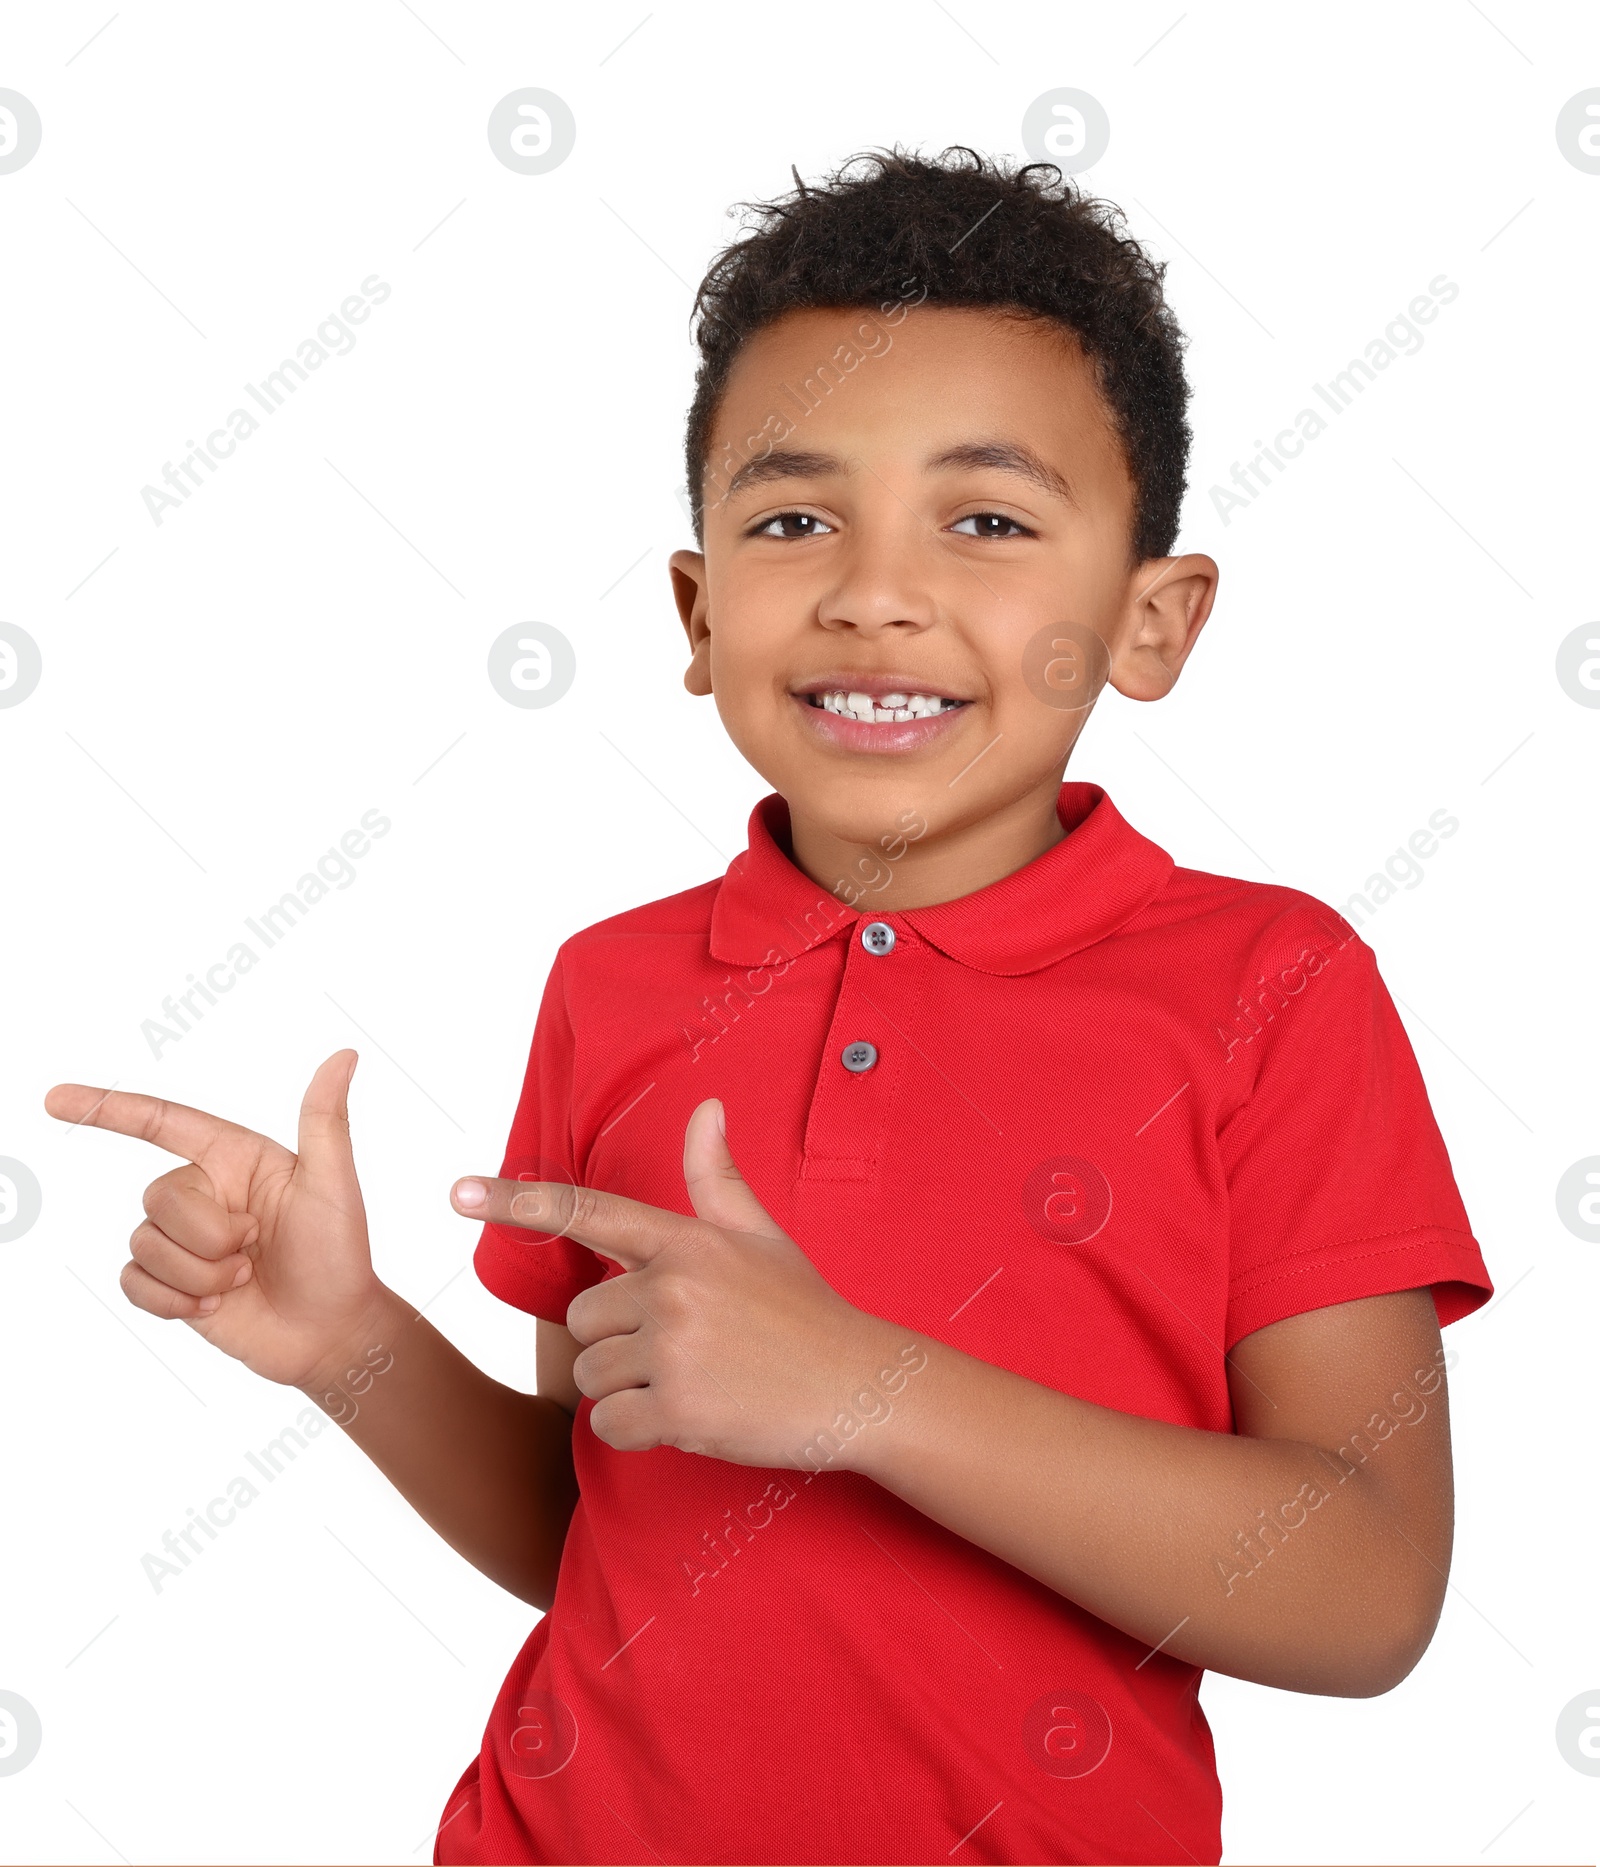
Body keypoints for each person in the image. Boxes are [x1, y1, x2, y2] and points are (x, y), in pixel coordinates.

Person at [46, 148, 1493, 1866]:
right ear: (697, 608)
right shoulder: (617, 985)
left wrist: (870, 1391)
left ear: (1150, 620)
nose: (874, 591)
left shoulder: (1274, 988)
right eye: (795, 519)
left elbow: (1366, 1592)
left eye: (989, 520)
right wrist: (348, 1344)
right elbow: (600, 1520)